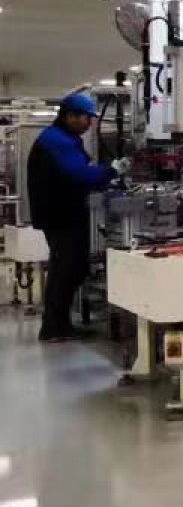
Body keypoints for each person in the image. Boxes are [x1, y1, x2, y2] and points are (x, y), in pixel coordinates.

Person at [27, 93, 128, 342]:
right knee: (65, 269)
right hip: (60, 216)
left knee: (74, 268)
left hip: (64, 213)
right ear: (70, 116)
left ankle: (60, 325)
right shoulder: (57, 140)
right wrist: (111, 171)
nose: (89, 123)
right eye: (86, 118)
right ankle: (53, 328)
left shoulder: (63, 138)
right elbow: (80, 175)